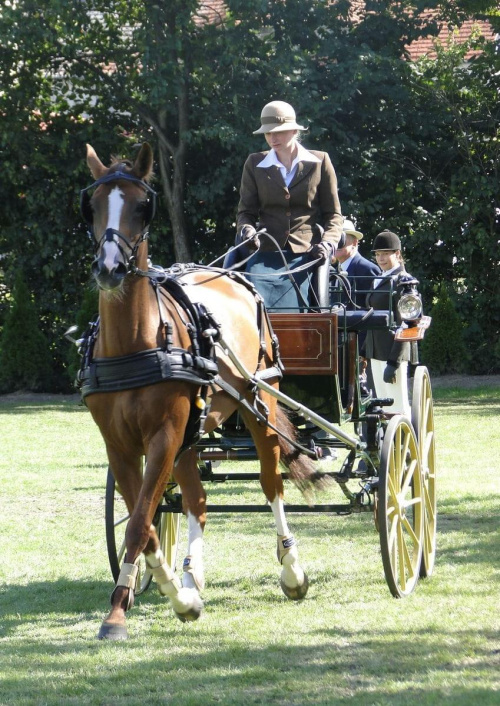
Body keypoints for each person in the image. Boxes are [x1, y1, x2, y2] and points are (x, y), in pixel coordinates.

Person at [236, 100, 343, 311]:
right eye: (267, 134)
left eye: (278, 132)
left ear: (294, 130)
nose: (272, 138)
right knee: (251, 300)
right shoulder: (254, 163)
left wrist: (328, 243)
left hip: (307, 254)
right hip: (265, 254)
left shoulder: (320, 161)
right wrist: (247, 230)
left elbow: (333, 215)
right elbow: (245, 213)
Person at [362, 230, 419, 417]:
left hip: (393, 352)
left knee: (398, 408)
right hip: (376, 352)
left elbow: (408, 324)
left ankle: (406, 445)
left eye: (386, 253)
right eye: (378, 254)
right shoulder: (379, 278)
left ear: (397, 254)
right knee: (385, 409)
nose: (381, 258)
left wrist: (394, 362)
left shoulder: (404, 281)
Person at [330, 218, 381, 308]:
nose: (337, 244)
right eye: (335, 240)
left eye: (342, 239)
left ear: (354, 243)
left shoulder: (367, 269)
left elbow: (375, 307)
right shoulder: (334, 271)